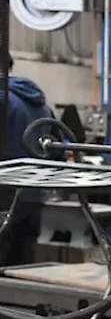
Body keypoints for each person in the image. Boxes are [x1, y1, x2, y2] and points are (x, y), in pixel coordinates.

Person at [0, 57, 55, 266]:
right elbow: (57, 148)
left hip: (4, 196)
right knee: (22, 266)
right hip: (33, 196)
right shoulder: (41, 105)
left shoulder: (4, 100)